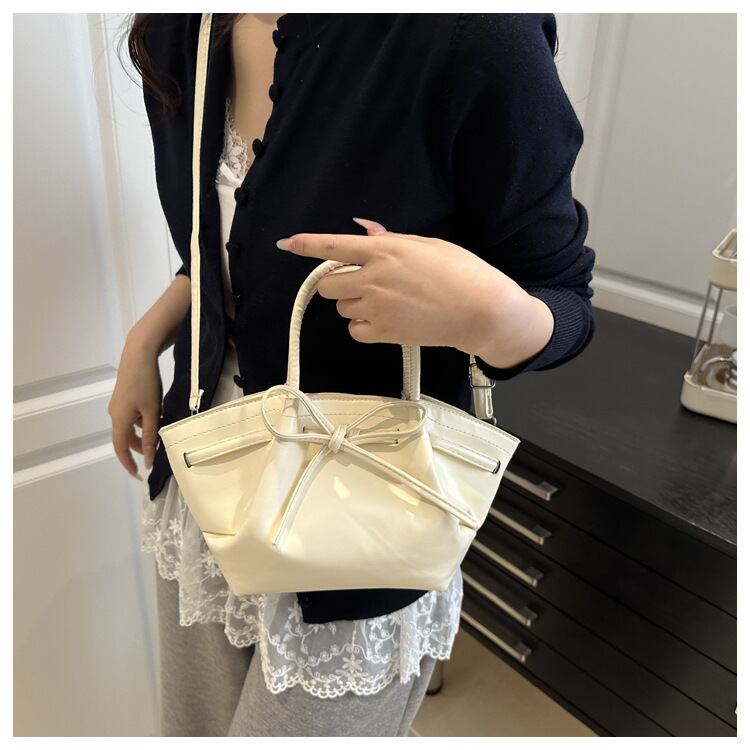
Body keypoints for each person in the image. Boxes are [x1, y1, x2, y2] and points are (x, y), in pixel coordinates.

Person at [109, 13, 596, 737]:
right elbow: (226, 243)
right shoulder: (185, 28)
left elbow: (564, 297)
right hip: (203, 470)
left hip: (363, 520)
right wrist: (144, 338)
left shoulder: (470, 32)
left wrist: (484, 314)